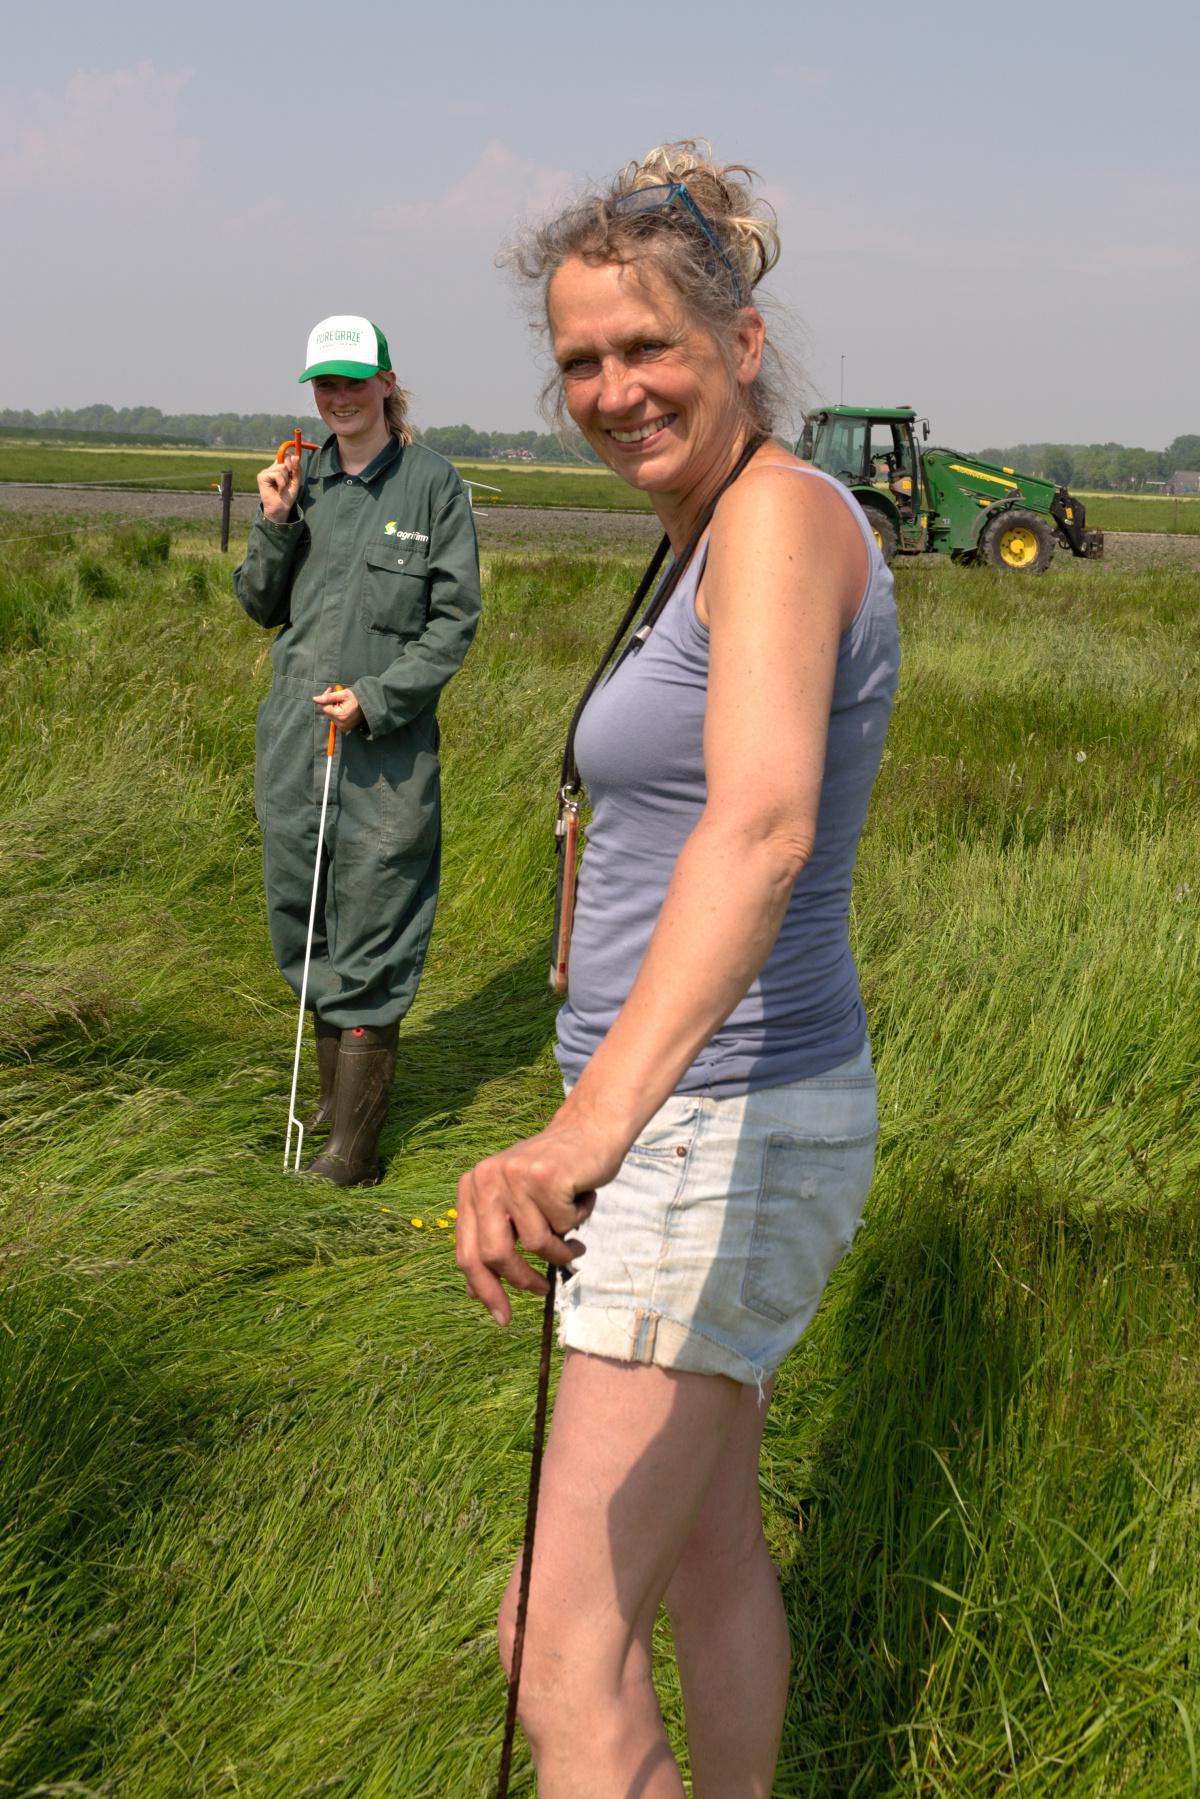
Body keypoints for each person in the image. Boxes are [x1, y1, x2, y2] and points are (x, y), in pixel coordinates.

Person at [455, 143, 899, 1796]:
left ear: (744, 345)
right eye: (579, 358)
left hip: (718, 1127)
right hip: (705, 1112)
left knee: (554, 1639)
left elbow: (762, 826)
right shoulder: (709, 530)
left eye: (647, 347)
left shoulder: (778, 522)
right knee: (709, 1551)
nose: (613, 387)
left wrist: (583, 1135)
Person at [235, 316, 481, 1186]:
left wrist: (377, 699)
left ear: (386, 382)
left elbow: (455, 622)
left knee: (373, 926)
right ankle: (333, 1108)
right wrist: (271, 519)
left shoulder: (433, 486)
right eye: (324, 384)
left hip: (384, 752)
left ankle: (354, 1153)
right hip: (295, 744)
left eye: (353, 381)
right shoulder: (300, 484)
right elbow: (262, 605)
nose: (338, 399)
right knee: (306, 924)